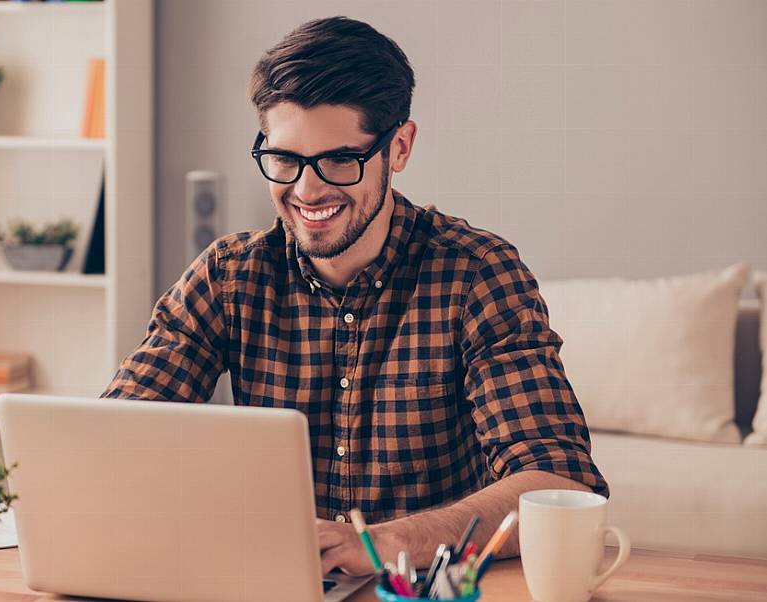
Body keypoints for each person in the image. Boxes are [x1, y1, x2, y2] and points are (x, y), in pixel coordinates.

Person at [103, 16, 607, 577]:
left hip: (425, 587)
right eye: (285, 159)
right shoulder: (229, 275)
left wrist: (388, 542)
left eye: (340, 160)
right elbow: (118, 439)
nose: (307, 189)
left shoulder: (476, 274)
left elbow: (559, 480)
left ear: (399, 147)